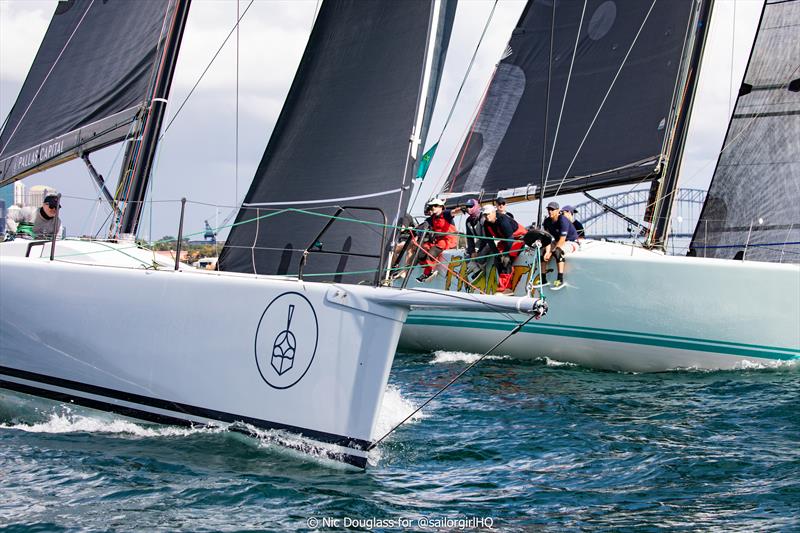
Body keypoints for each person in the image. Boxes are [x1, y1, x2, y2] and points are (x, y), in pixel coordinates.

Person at [483, 204, 527, 293]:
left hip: (519, 238)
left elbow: (510, 238)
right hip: (506, 240)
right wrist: (497, 253)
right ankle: (502, 285)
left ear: (494, 213)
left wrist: (506, 254)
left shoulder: (502, 220)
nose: (487, 217)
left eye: (488, 214)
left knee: (506, 260)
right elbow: (489, 240)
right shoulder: (486, 224)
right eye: (485, 215)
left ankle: (507, 288)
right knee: (498, 259)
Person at [416, 198, 458, 282]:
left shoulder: (445, 214)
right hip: (438, 240)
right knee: (423, 249)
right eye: (431, 206)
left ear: (441, 207)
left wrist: (462, 209)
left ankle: (428, 272)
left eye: (435, 206)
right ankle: (426, 267)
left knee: (432, 252)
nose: (433, 208)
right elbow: (424, 224)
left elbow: (454, 212)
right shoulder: (432, 218)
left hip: (448, 240)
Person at [541, 201, 579, 290]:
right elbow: (547, 238)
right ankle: (543, 279)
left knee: (557, 252)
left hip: (571, 242)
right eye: (549, 209)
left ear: (558, 211)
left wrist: (551, 252)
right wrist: (547, 251)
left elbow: (562, 239)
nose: (550, 211)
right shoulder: (547, 221)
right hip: (558, 240)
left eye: (552, 210)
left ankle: (560, 279)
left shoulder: (562, 220)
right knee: (543, 253)